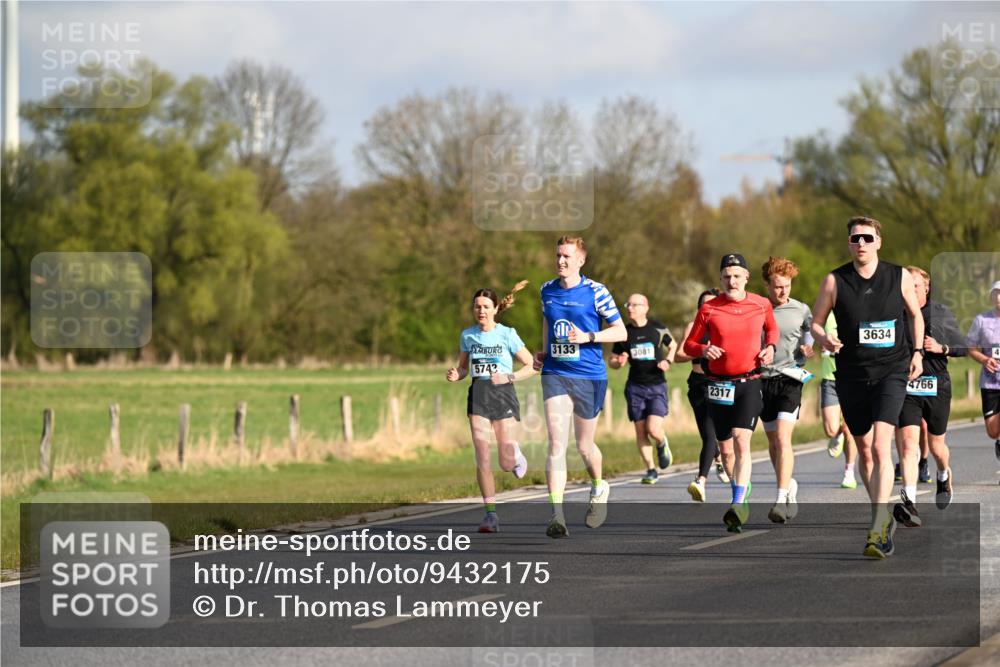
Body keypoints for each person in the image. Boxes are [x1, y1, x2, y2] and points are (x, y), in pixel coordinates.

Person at [810, 216, 924, 559]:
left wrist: (917, 352)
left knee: (881, 444)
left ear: (878, 242)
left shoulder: (898, 275)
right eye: (855, 238)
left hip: (891, 370)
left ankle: (877, 525)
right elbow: (815, 322)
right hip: (851, 374)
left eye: (867, 238)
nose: (861, 243)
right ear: (849, 243)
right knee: (864, 449)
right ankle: (881, 510)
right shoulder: (835, 280)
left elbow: (915, 315)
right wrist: (824, 338)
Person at [533, 236, 627, 538]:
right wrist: (545, 349)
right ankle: (556, 515)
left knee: (584, 446)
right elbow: (548, 321)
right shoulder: (546, 290)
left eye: (567, 256)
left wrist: (588, 337)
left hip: (589, 375)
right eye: (558, 255)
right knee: (556, 443)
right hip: (555, 373)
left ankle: (599, 486)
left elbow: (619, 330)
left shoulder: (596, 292)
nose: (561, 261)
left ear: (580, 261)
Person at [683, 253, 778, 532]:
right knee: (725, 450)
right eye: (726, 276)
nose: (731, 281)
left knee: (741, 440)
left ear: (746, 277)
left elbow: (772, 331)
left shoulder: (761, 304)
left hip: (749, 381)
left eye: (737, 276)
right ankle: (740, 493)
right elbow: (689, 345)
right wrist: (703, 349)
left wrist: (770, 347)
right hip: (717, 385)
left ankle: (737, 503)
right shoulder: (709, 309)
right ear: (720, 279)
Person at [446, 282, 535, 533]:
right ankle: (491, 515)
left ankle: (515, 455)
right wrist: (457, 373)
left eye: (486, 306)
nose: (481, 311)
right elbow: (463, 367)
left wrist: (509, 377)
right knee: (482, 456)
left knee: (505, 463)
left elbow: (532, 365)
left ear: (496, 309)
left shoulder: (507, 334)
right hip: (478, 395)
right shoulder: (468, 335)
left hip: (503, 394)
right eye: (477, 307)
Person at [893, 265, 965, 518]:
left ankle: (943, 474)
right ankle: (909, 501)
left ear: (926, 287)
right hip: (907, 385)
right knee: (909, 445)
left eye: (915, 285)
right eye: (907, 285)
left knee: (936, 446)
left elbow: (963, 346)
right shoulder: (896, 312)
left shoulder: (941, 313)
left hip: (937, 384)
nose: (910, 290)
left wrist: (941, 347)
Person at [758, 257, 814, 524]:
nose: (783, 291)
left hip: (791, 378)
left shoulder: (800, 309)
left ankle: (780, 498)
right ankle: (788, 484)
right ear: (768, 285)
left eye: (787, 286)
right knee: (772, 443)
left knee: (782, 437)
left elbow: (810, 332)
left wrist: (808, 346)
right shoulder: (758, 308)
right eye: (778, 286)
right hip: (763, 380)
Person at [609, 294, 676, 485]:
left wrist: (668, 361)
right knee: (640, 432)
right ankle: (651, 469)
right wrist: (618, 362)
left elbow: (673, 345)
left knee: (653, 429)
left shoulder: (657, 328)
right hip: (635, 387)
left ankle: (662, 442)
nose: (630, 308)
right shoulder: (624, 333)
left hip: (656, 385)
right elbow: (612, 360)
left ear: (645, 307)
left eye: (634, 304)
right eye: (627, 304)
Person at [675, 289, 734, 502]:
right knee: (707, 434)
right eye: (703, 305)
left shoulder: (727, 325)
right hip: (698, 384)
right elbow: (679, 355)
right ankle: (716, 460)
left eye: (712, 304)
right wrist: (701, 351)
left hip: (719, 383)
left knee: (715, 435)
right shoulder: (693, 327)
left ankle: (701, 480)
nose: (707, 308)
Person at [819, 312, 859, 489]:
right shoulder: (826, 313)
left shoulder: (856, 310)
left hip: (852, 378)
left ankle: (849, 473)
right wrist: (821, 344)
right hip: (830, 378)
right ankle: (837, 433)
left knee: (851, 427)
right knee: (830, 429)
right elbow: (814, 331)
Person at [966, 280, 1000, 466]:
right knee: (992, 431)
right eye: (996, 293)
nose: (999, 297)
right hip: (990, 382)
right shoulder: (981, 320)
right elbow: (971, 347)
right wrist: (985, 359)